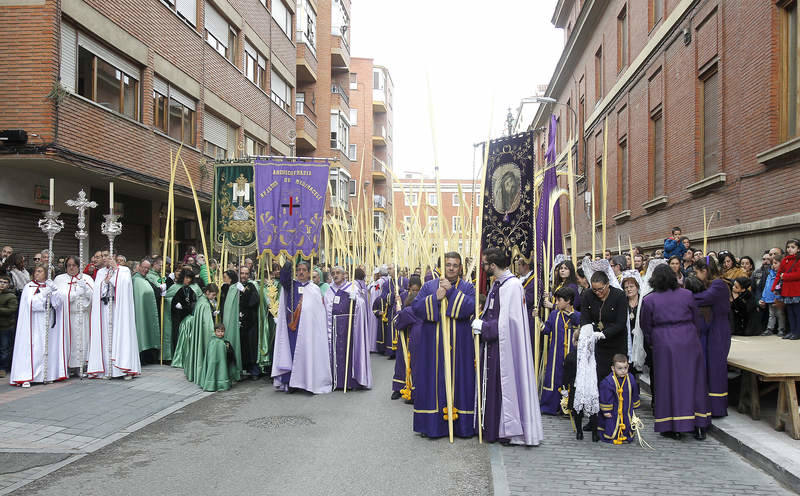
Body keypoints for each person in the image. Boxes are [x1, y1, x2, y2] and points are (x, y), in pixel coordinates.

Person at [473, 247, 543, 445]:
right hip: (493, 346)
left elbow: (507, 323)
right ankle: (491, 427)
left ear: (492, 265)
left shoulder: (512, 286)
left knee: (504, 385)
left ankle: (505, 430)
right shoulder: (498, 284)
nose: (484, 267)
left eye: (485, 264)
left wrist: (484, 326)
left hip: (505, 347)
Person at [640, 264, 710, 440]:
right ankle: (699, 424)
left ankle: (672, 425)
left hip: (663, 341)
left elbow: (645, 326)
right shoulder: (687, 295)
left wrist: (652, 343)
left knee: (668, 383)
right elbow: (696, 318)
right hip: (688, 338)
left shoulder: (649, 300)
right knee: (694, 382)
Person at [411, 252, 476, 439]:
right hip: (434, 343)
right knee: (433, 379)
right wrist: (435, 298)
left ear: (461, 268)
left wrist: (452, 292)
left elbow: (470, 308)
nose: (451, 268)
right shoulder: (429, 286)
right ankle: (431, 424)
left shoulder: (467, 287)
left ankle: (461, 425)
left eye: (455, 265)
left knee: (460, 379)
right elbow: (416, 308)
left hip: (460, 345)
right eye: (448, 264)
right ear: (442, 266)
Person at [272, 261, 331, 394]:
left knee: (307, 354)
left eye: (304, 270)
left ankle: (308, 382)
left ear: (309, 272)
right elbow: (283, 278)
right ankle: (291, 383)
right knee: (292, 353)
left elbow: (318, 313)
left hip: (309, 330)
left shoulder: (314, 289)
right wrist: (288, 263)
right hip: (293, 327)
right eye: (298, 269)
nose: (301, 272)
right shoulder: (291, 285)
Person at [9, 264, 68, 386]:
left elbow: (57, 305)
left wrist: (55, 292)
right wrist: (44, 293)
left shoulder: (50, 285)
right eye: (36, 271)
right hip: (34, 324)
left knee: (47, 347)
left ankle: (47, 374)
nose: (37, 274)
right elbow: (33, 305)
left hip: (48, 322)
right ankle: (28, 376)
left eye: (40, 271)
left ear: (46, 274)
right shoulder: (29, 287)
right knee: (35, 348)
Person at [87, 255, 141, 379]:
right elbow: (97, 291)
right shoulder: (101, 272)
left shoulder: (124, 270)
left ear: (114, 256)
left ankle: (123, 369)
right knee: (106, 338)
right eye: (103, 256)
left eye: (107, 255)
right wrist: (105, 282)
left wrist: (116, 270)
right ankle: (106, 369)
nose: (105, 258)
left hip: (118, 308)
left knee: (120, 336)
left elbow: (125, 285)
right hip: (105, 308)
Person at [692, 257, 731, 417]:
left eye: (697, 272)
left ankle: (718, 407)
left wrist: (682, 296)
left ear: (705, 271)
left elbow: (703, 299)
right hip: (712, 328)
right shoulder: (714, 284)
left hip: (719, 329)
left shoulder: (719, 284)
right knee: (709, 366)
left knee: (716, 367)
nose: (696, 276)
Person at [324, 266, 371, 391]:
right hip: (333, 327)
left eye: (338, 273)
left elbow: (362, 305)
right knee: (335, 353)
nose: (335, 275)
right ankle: (336, 381)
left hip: (349, 326)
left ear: (344, 274)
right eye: (333, 273)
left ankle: (350, 381)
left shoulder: (352, 288)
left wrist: (356, 299)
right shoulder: (329, 290)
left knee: (349, 352)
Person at [540, 286, 580, 415]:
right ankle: (551, 405)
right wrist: (536, 319)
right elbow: (546, 330)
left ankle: (571, 406)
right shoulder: (554, 314)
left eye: (559, 300)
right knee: (554, 377)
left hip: (573, 355)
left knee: (571, 379)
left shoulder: (578, 316)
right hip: (556, 354)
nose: (556, 303)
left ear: (568, 301)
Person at [54, 256, 94, 376]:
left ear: (78, 266)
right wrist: (74, 294)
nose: (71, 268)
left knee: (82, 340)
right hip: (67, 317)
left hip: (82, 315)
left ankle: (81, 366)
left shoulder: (86, 278)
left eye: (74, 265)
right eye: (69, 265)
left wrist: (85, 289)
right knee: (68, 341)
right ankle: (67, 366)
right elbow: (57, 296)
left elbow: (94, 296)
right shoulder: (59, 279)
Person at [175, 284, 218, 384]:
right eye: (213, 295)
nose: (214, 297)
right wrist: (213, 334)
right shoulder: (205, 304)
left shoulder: (201, 301)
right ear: (207, 292)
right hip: (204, 333)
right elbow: (207, 325)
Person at [598, 354, 641, 444]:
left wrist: (635, 405)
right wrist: (606, 411)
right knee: (612, 423)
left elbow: (634, 392)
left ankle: (625, 436)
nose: (623, 371)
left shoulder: (631, 378)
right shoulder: (608, 381)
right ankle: (613, 436)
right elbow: (605, 396)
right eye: (620, 368)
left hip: (627, 409)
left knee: (627, 421)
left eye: (625, 368)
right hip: (613, 410)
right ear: (613, 368)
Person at [393, 276, 422, 403]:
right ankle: (399, 387)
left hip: (413, 335)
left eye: (417, 290)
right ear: (409, 287)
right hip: (404, 335)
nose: (415, 292)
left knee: (415, 364)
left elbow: (402, 316)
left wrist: (400, 312)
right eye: (413, 289)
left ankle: (413, 389)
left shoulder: (422, 297)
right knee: (401, 362)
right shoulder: (403, 295)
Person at [132, 259, 162, 362]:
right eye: (144, 267)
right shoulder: (136, 280)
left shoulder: (145, 279)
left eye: (147, 268)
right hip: (139, 312)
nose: (145, 270)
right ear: (139, 267)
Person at [236, 266, 261, 379]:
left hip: (250, 321)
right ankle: (241, 369)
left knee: (251, 346)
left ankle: (254, 370)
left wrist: (244, 291)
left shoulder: (251, 286)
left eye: (246, 273)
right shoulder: (235, 286)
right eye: (242, 273)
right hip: (238, 321)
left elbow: (253, 302)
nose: (244, 276)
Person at [198, 323, 238, 392]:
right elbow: (210, 354)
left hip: (222, 362)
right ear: (215, 331)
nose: (220, 333)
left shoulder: (225, 341)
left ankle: (221, 385)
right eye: (218, 331)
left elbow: (230, 354)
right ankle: (211, 385)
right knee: (213, 371)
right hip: (213, 362)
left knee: (221, 371)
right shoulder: (212, 342)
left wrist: (228, 349)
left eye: (222, 331)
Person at [773, 239, 800, 340]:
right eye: (788, 247)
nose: (790, 249)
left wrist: (785, 276)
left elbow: (798, 274)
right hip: (787, 290)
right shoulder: (785, 260)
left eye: (793, 247)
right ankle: (792, 331)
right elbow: (778, 274)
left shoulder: (799, 259)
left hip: (797, 290)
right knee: (790, 312)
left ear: (798, 249)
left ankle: (797, 332)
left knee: (797, 312)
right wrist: (774, 287)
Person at [171, 269, 197, 356]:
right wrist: (175, 303)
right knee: (177, 334)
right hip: (178, 315)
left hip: (188, 314)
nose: (188, 280)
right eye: (186, 278)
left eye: (190, 278)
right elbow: (169, 298)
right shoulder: (176, 287)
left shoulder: (193, 288)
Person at [374, 265, 398, 358]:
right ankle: (391, 351)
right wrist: (392, 296)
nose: (389, 270)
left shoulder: (404, 281)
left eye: (390, 268)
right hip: (392, 309)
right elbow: (383, 295)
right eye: (388, 269)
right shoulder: (385, 283)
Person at [760, 254, 786, 336]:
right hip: (769, 298)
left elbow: (781, 287)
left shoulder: (781, 275)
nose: (773, 265)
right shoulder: (770, 274)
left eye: (776, 263)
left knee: (780, 314)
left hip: (778, 299)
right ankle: (770, 328)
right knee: (771, 315)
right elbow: (766, 287)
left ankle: (781, 329)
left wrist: (778, 297)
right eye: (773, 263)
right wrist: (763, 297)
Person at [0, 274, 18, 378]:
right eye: (0, 281)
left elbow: (12, 310)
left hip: (6, 327)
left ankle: (3, 368)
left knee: (4, 349)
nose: (2, 284)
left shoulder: (11, 296)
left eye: (5, 282)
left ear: (8, 285)